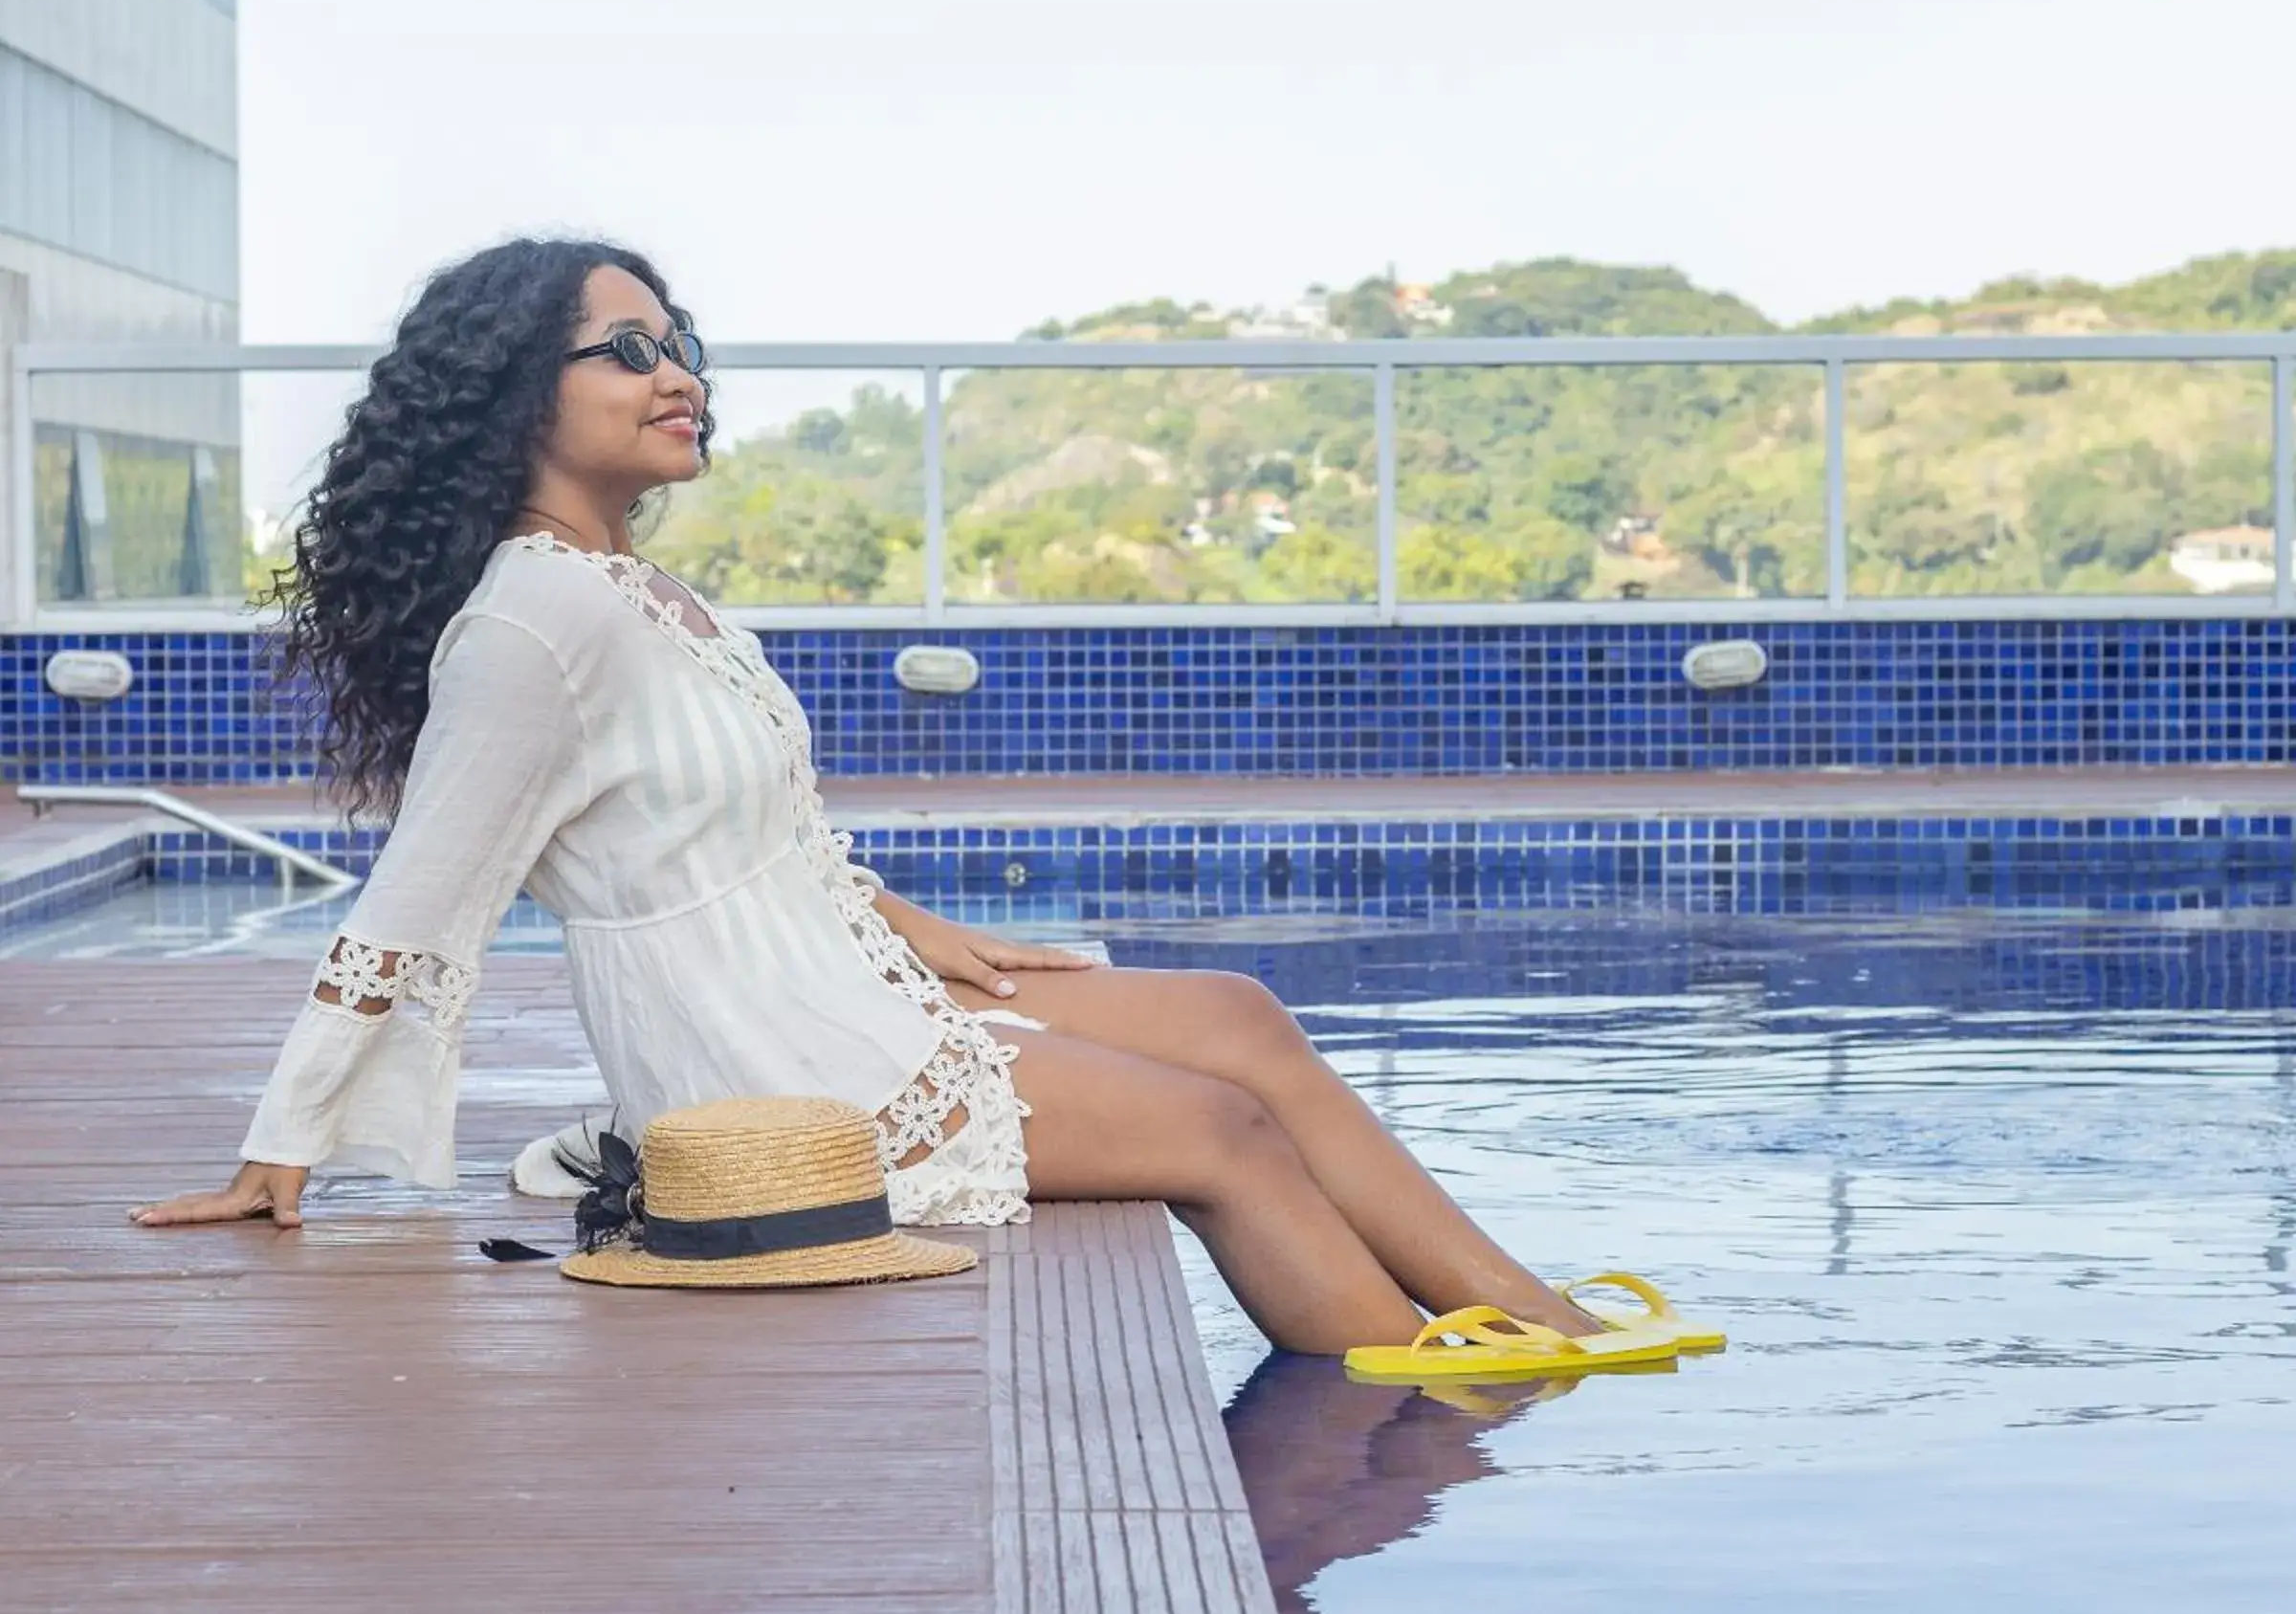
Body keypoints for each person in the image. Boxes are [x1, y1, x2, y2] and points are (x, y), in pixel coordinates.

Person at [133, 237, 1605, 1356]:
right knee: (1217, 1129)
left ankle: (1523, 1307)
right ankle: (1443, 1391)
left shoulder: (634, 591)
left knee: (1235, 1018)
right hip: (754, 1045)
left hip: (836, 974)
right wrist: (288, 1150)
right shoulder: (534, 623)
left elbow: (757, 832)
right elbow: (422, 898)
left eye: (681, 343)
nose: (678, 376)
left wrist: (923, 932)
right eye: (627, 350)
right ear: (515, 398)